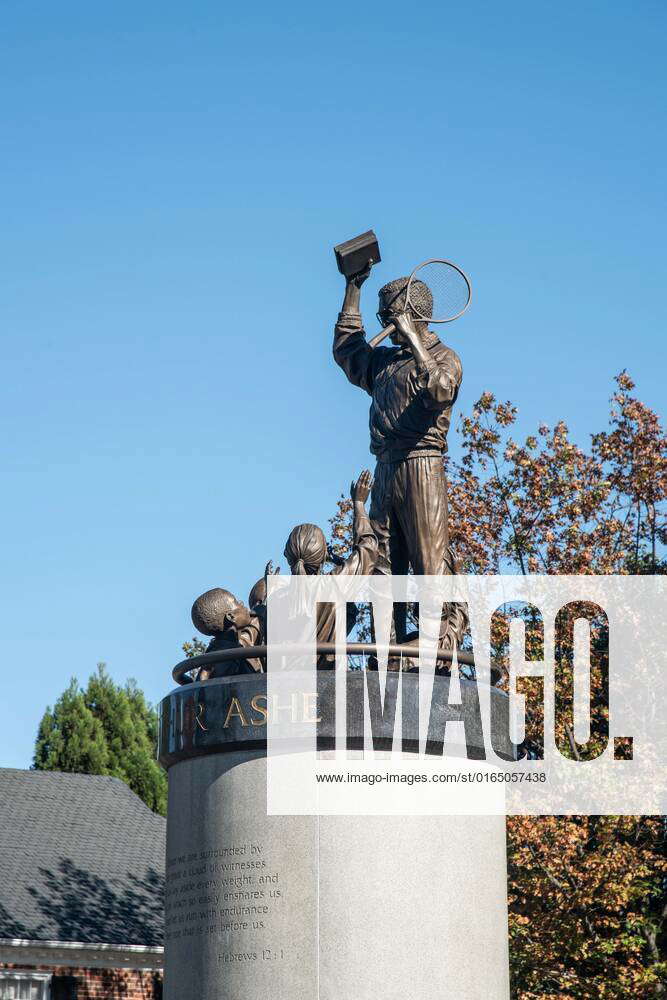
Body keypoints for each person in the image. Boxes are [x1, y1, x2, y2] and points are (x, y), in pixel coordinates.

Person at [333, 266, 463, 643]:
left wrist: (414, 340)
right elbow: (348, 351)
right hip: (386, 468)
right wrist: (352, 289)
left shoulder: (445, 356)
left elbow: (440, 391)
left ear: (407, 315)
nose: (383, 324)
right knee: (381, 564)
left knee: (428, 563)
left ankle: (434, 648)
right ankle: (386, 647)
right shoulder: (384, 363)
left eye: (386, 316)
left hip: (423, 465)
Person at [284, 469, 377, 659]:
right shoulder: (333, 585)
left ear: (288, 557)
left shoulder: (278, 597)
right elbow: (368, 549)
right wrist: (359, 504)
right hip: (328, 682)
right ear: (324, 555)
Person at [190, 587, 262, 679]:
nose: (241, 603)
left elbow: (253, 627)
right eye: (236, 602)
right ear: (231, 617)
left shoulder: (234, 643)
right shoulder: (224, 657)